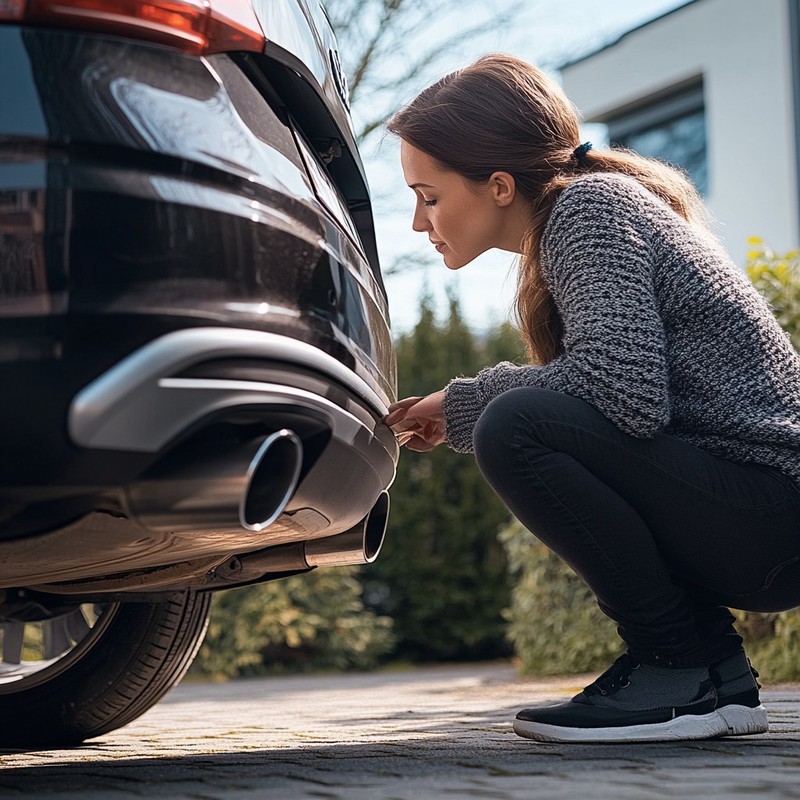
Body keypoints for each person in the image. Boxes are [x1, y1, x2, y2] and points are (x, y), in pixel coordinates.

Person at [383, 53, 800, 744]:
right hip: (761, 514)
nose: (418, 222)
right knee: (518, 418)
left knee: (515, 425)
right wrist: (467, 405)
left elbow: (619, 390)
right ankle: (715, 679)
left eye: (429, 196)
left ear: (497, 185)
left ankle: (672, 667)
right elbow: (627, 399)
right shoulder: (582, 216)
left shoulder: (588, 209)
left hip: (773, 506)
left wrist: (471, 401)